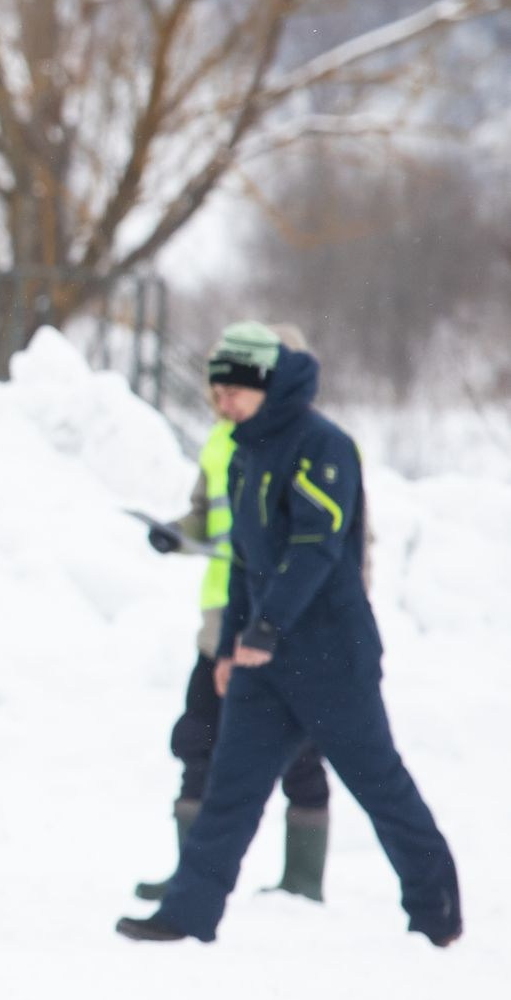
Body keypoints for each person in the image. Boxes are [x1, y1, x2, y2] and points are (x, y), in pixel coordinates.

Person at [118, 324, 460, 947]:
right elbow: (246, 560)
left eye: (233, 393)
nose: (222, 404)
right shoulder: (244, 454)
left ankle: (437, 912)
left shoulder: (322, 446)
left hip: (332, 656)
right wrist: (231, 649)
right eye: (216, 393)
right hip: (262, 660)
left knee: (379, 784)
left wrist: (266, 630)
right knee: (231, 788)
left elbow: (314, 549)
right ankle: (188, 914)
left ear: (266, 386)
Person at [133, 329, 331, 902]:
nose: (227, 400)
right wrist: (176, 535)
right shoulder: (223, 444)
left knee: (298, 750)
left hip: (287, 628)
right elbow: (206, 518)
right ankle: (190, 874)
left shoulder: (320, 445)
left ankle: (303, 880)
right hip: (221, 623)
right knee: (198, 739)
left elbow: (337, 551)